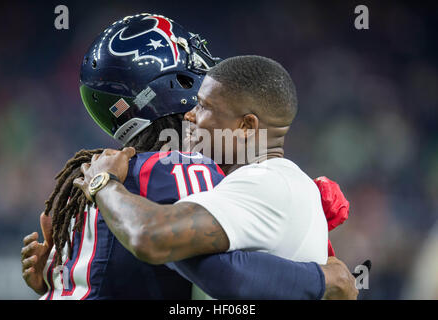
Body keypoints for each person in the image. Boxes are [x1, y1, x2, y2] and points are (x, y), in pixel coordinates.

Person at [21, 14, 357, 300]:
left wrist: (57, 276)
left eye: (206, 106)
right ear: (177, 82)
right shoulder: (178, 169)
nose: (195, 114)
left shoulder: (95, 176)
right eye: (199, 102)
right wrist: (326, 280)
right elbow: (215, 271)